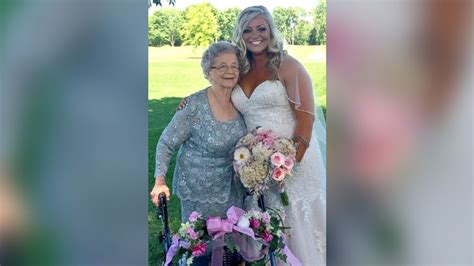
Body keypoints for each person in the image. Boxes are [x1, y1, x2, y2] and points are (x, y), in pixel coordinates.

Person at [230, 6, 327, 265]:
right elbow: (215, 91)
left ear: (271, 31)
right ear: (240, 34)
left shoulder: (288, 65)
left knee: (298, 220)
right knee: (273, 221)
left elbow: (306, 116)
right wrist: (189, 103)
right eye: (248, 30)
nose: (255, 35)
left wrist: (289, 162)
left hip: (296, 158)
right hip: (258, 162)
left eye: (261, 28)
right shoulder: (238, 68)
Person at [150, 41, 247, 223]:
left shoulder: (240, 101)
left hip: (232, 188)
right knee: (201, 245)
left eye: (234, 66)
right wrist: (160, 181)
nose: (230, 71)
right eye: (222, 66)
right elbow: (166, 142)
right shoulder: (193, 106)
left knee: (230, 244)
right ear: (208, 71)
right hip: (198, 190)